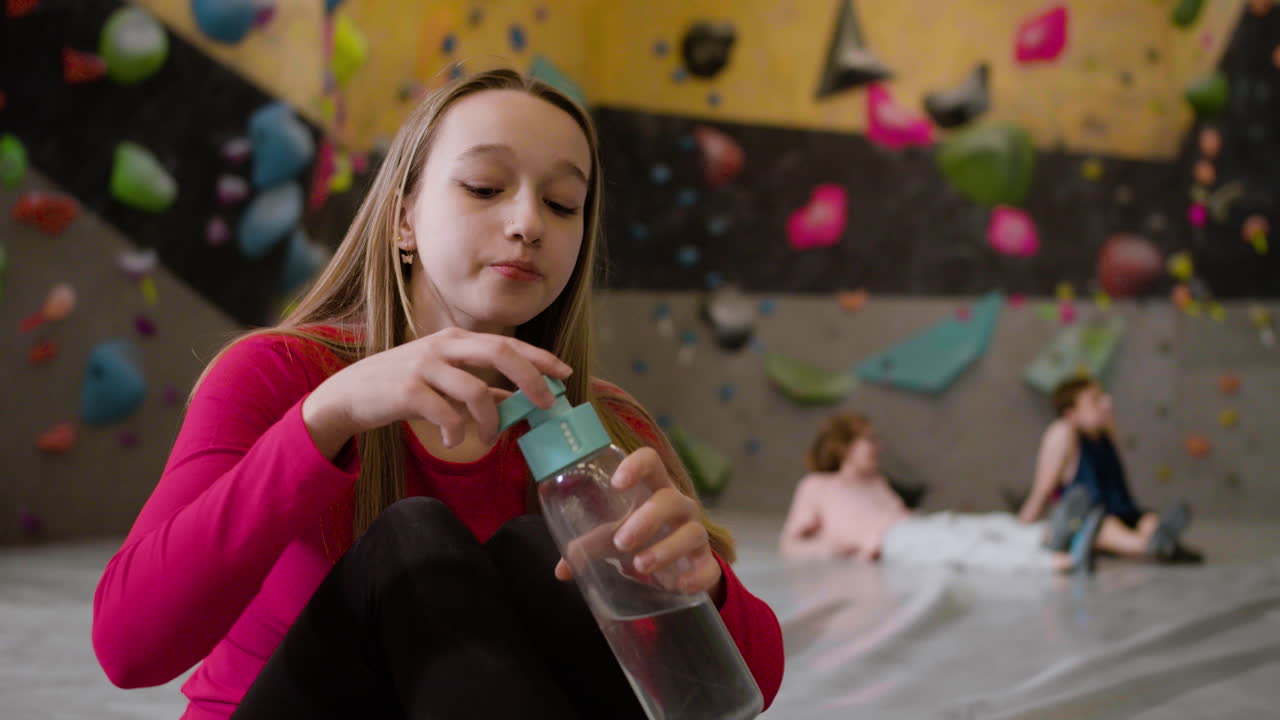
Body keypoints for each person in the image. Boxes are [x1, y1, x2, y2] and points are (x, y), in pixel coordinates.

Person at [92, 69, 783, 719]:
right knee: (413, 539)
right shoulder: (277, 375)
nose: (528, 223)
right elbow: (129, 649)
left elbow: (737, 695)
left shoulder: (606, 424)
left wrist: (701, 584)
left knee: (542, 552)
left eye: (561, 204)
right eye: (484, 187)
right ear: (404, 219)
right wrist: (326, 418)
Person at [780, 413, 1102, 574]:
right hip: (890, 541)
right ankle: (1055, 561)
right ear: (844, 447)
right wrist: (830, 548)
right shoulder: (817, 485)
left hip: (915, 524)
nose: (878, 446)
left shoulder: (875, 481)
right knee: (964, 547)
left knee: (984, 524)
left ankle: (1048, 535)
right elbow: (790, 543)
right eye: (869, 440)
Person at [1017, 376, 1195, 562]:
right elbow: (1042, 490)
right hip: (1088, 519)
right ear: (1071, 414)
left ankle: (1158, 540)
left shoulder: (1104, 435)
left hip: (1122, 512)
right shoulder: (1064, 433)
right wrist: (1020, 532)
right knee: (1104, 527)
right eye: (1095, 400)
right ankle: (1150, 546)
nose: (1107, 403)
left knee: (1148, 521)